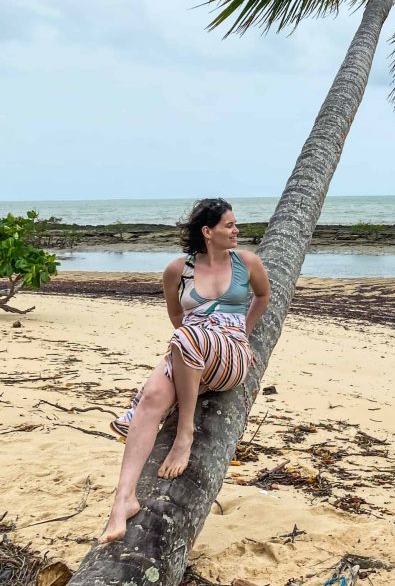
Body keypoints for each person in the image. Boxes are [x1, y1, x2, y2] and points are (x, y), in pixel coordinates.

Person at [99, 198, 270, 544]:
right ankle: (123, 500)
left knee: (184, 336)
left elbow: (262, 297)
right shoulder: (178, 270)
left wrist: (245, 334)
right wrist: (193, 337)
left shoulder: (247, 263)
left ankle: (185, 434)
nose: (237, 231)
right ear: (208, 232)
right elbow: (176, 315)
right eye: (229, 225)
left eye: (236, 224)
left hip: (229, 354)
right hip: (190, 351)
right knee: (151, 398)